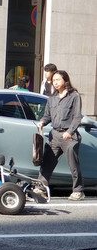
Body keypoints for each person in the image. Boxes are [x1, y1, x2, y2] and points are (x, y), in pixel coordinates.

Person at [36, 70, 84, 201]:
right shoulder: (52, 98)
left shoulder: (74, 96)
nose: (55, 82)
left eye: (58, 80)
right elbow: (47, 116)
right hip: (55, 134)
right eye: (54, 80)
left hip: (69, 136)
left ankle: (78, 190)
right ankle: (40, 188)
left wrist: (70, 131)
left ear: (65, 80)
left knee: (73, 164)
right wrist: (42, 122)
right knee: (47, 162)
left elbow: (77, 117)